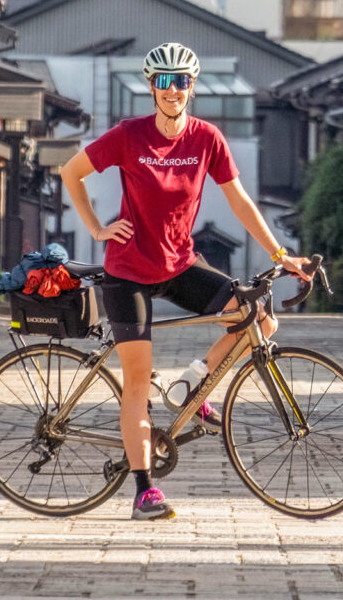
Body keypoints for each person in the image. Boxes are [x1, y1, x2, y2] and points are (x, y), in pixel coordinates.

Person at [60, 42, 311, 522]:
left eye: (182, 82)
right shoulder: (129, 136)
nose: (173, 90)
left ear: (191, 87)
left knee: (256, 317)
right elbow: (71, 172)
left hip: (178, 264)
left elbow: (239, 201)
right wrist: (96, 228)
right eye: (163, 82)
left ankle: (190, 389)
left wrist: (280, 254)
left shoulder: (206, 138)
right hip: (128, 271)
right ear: (151, 87)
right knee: (136, 378)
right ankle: (143, 491)